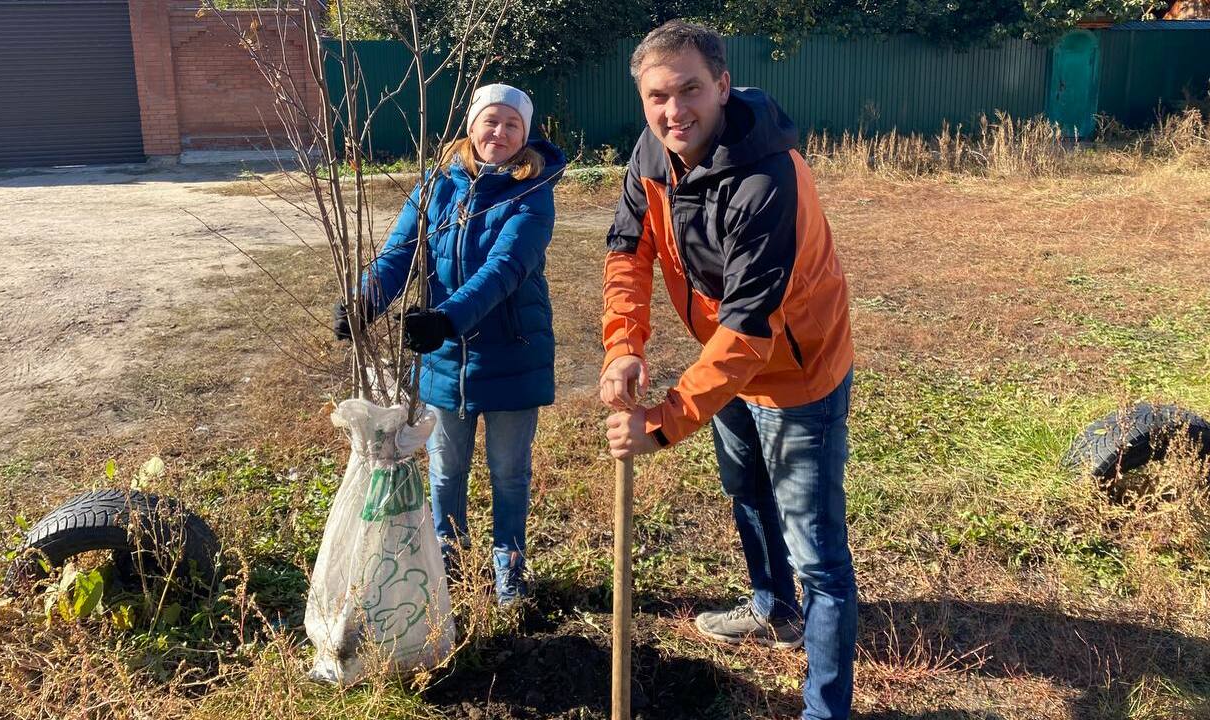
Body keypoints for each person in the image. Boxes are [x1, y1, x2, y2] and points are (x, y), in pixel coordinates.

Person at [599, 21, 857, 720]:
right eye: (657, 96)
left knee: (820, 557)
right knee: (745, 489)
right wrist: (625, 342)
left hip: (798, 372)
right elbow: (630, 248)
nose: (673, 110)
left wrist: (666, 422)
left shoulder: (768, 176)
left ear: (721, 85)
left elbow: (751, 324)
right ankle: (774, 608)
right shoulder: (654, 152)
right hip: (726, 363)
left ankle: (826, 710)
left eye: (688, 90)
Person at [334, 83, 566, 605]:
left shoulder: (532, 193)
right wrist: (365, 301)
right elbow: (399, 253)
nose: (500, 133)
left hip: (511, 354)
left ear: (526, 135)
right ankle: (451, 562)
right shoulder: (437, 185)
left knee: (509, 473)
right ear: (472, 125)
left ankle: (509, 567)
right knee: (445, 470)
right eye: (491, 121)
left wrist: (445, 318)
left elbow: (504, 269)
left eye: (513, 125)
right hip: (443, 359)